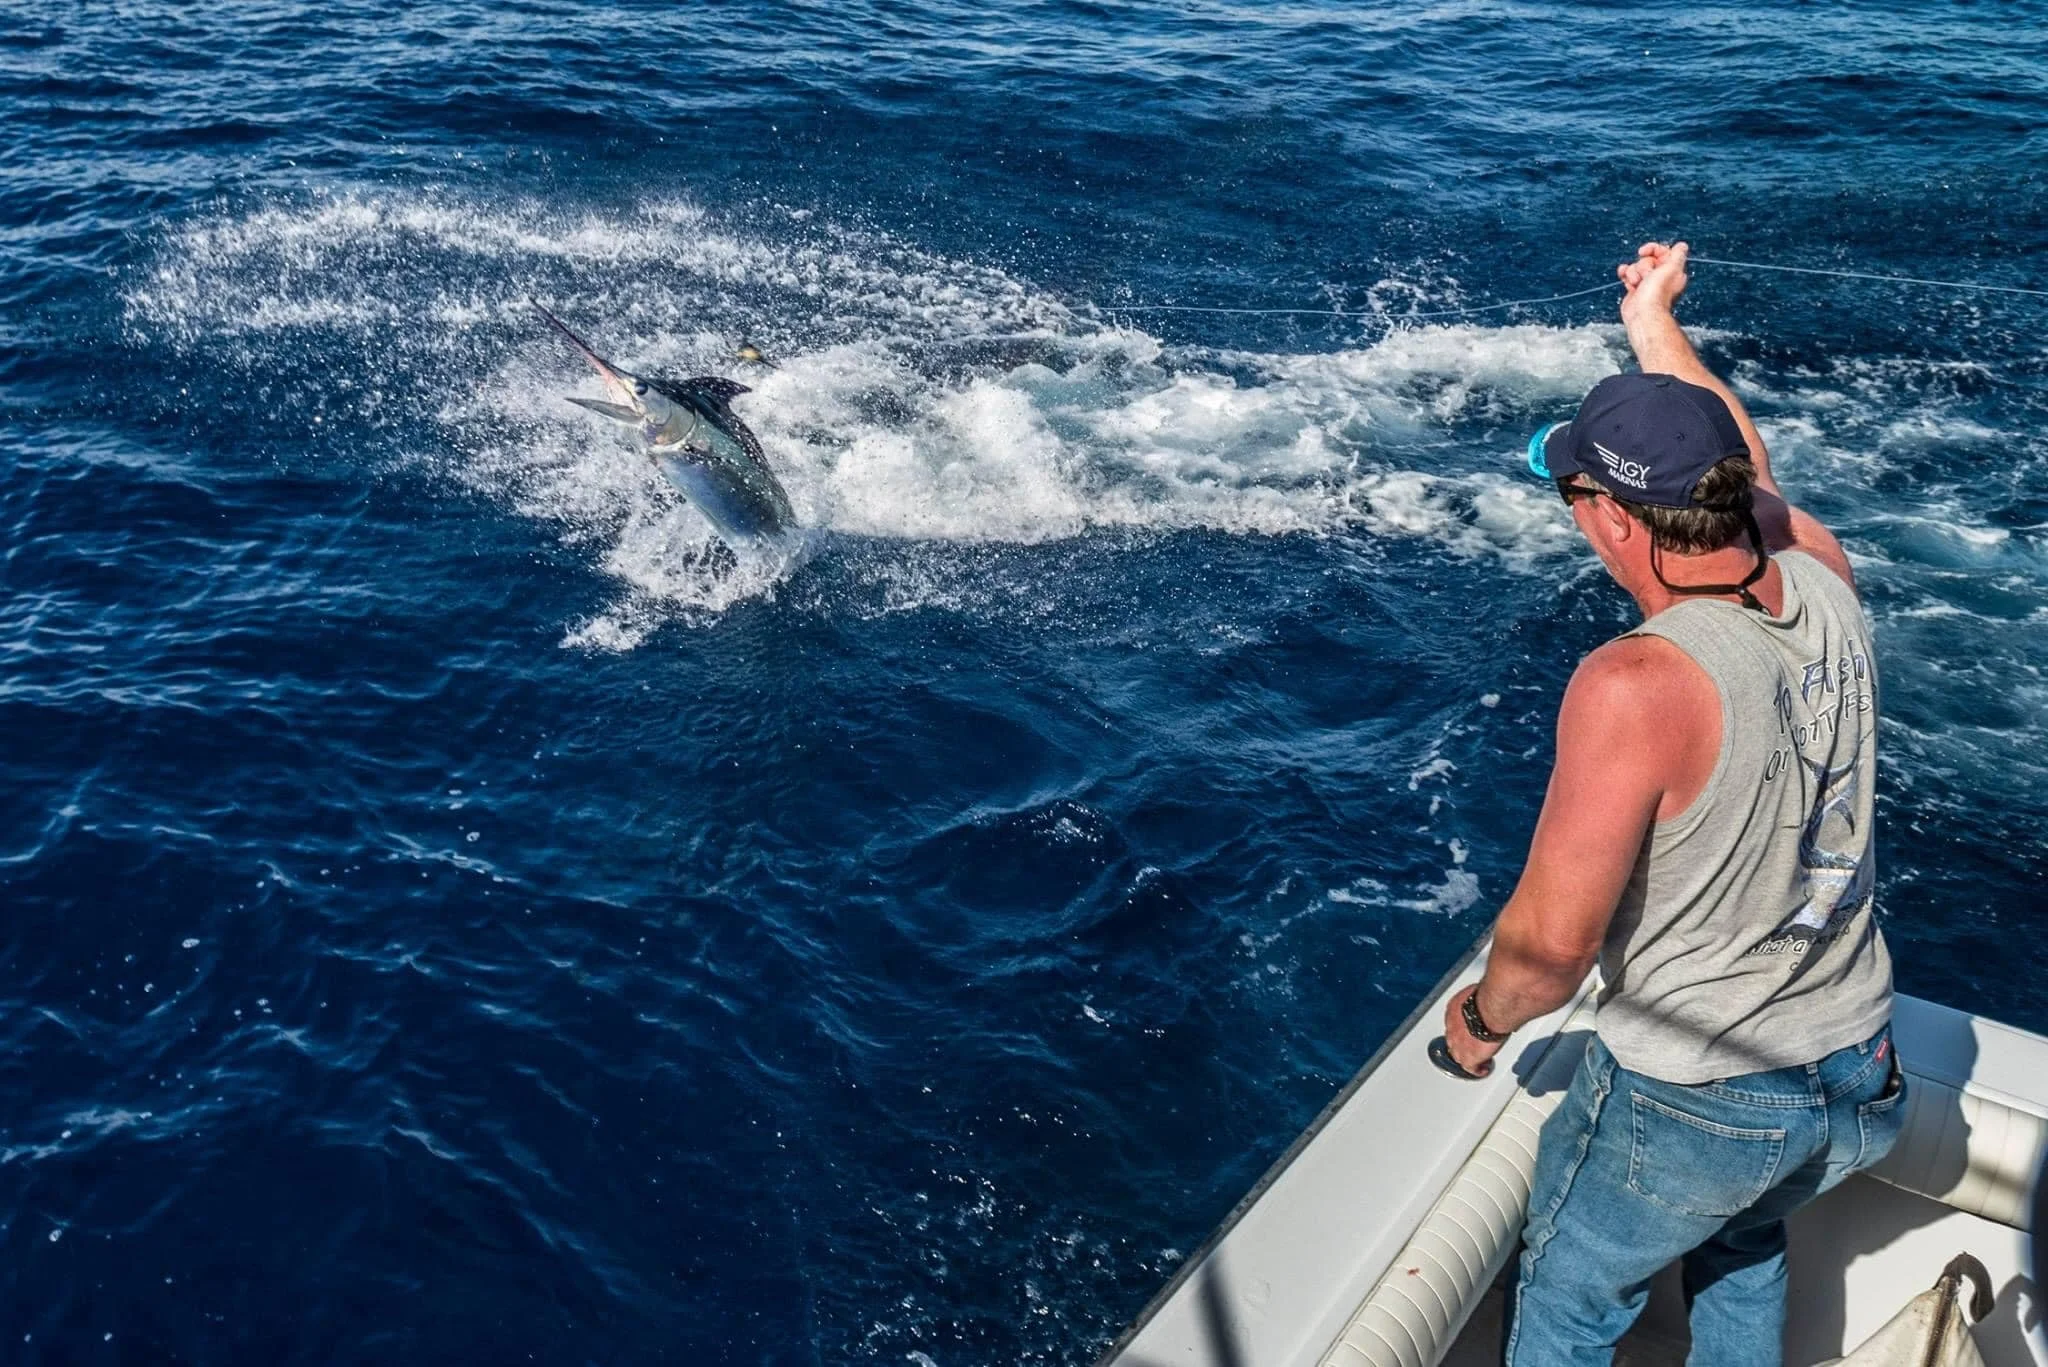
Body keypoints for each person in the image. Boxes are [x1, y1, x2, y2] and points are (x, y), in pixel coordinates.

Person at [1436, 241, 1905, 1366]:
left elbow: (1552, 950)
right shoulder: (1820, 568)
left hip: (1703, 1102)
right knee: (1741, 1246)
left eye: (1573, 492)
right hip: (1857, 1066)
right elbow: (1745, 459)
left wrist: (1478, 1027)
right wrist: (1652, 320)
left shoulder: (1634, 683)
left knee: (1567, 1297)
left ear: (1614, 517)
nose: (1572, 513)